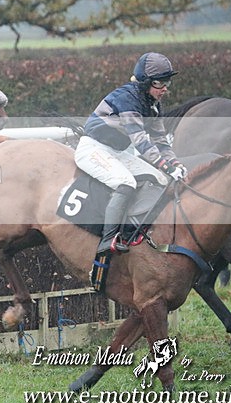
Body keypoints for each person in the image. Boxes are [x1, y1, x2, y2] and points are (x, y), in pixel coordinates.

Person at [75, 52, 187, 255]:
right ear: (145, 83)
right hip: (92, 148)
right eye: (159, 83)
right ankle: (107, 240)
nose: (164, 88)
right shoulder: (127, 99)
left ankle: (132, 228)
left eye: (167, 82)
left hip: (116, 152)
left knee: (160, 179)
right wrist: (166, 165)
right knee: (126, 183)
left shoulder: (153, 104)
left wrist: (175, 164)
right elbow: (141, 142)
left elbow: (161, 141)